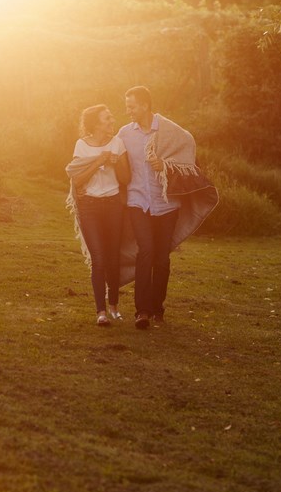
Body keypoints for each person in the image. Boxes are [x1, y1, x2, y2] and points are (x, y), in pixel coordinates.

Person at [117, 86, 218, 330]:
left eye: (131, 106)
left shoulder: (169, 130)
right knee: (146, 251)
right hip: (137, 202)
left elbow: (187, 153)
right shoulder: (123, 134)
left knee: (162, 258)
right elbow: (117, 162)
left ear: (144, 105)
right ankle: (141, 311)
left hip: (166, 204)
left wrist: (165, 165)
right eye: (127, 106)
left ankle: (157, 308)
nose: (128, 110)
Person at [66, 104, 131, 326]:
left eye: (111, 117)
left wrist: (117, 161)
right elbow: (78, 180)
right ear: (95, 124)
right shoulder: (81, 146)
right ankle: (100, 311)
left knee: (113, 257)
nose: (112, 121)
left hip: (113, 205)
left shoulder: (117, 143)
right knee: (99, 258)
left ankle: (114, 306)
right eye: (107, 118)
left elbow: (125, 179)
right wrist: (99, 161)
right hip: (90, 207)